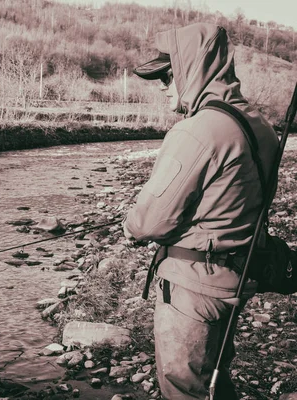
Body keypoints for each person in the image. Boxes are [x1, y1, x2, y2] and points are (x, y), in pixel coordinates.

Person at [123, 23, 279, 399]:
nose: (162, 91)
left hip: (193, 286)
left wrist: (130, 226)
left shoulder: (196, 131)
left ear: (189, 70)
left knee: (185, 387)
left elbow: (150, 222)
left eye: (165, 79)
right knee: (214, 378)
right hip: (237, 278)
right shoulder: (258, 124)